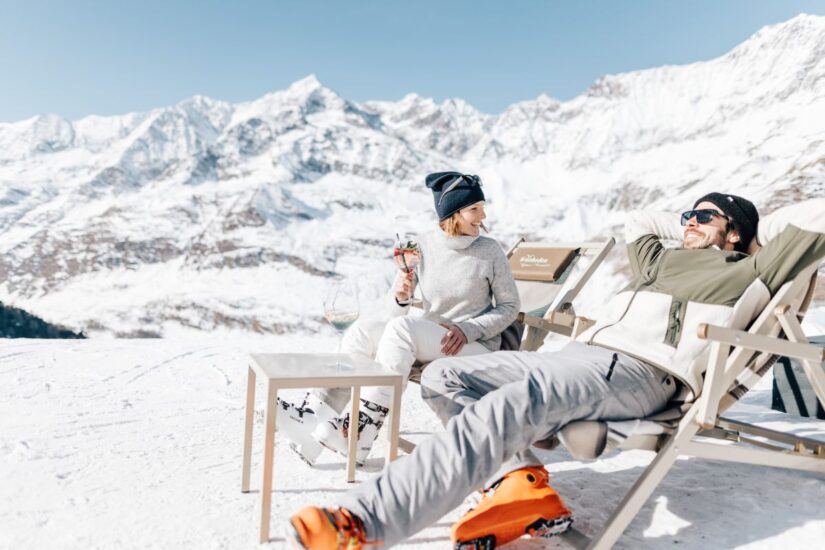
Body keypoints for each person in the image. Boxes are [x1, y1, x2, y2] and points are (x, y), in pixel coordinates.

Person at [287, 193, 825, 550]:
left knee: (512, 402)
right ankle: (521, 483)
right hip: (579, 356)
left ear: (735, 233)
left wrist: (750, 230)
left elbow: (812, 221)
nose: (688, 222)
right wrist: (700, 217)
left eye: (703, 217)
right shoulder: (659, 261)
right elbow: (641, 221)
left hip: (642, 371)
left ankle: (363, 524)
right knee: (442, 378)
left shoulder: (750, 267)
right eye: (686, 215)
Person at [276, 171, 520, 466]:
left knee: (403, 330)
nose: (483, 215)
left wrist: (467, 329)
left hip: (472, 345)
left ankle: (360, 430)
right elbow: (396, 312)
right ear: (453, 213)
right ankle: (315, 416)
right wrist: (402, 294)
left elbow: (509, 306)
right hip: (433, 338)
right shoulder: (422, 246)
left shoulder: (490, 250)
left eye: (481, 207)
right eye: (474, 209)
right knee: (363, 331)